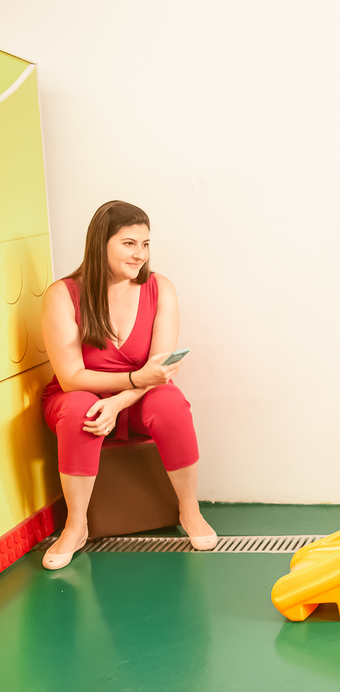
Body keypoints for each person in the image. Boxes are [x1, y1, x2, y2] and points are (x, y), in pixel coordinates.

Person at [41, 200, 218, 570]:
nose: (140, 254)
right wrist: (134, 379)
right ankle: (76, 526)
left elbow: (159, 371)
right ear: (100, 243)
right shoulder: (63, 294)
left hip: (137, 399)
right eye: (129, 243)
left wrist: (119, 401)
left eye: (145, 244)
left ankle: (190, 510)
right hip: (78, 395)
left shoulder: (160, 288)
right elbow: (71, 377)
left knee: (169, 402)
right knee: (80, 407)